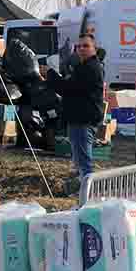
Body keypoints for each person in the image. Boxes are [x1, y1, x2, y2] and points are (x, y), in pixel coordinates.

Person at [53, 33, 107, 192]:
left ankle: (88, 200)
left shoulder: (91, 68)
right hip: (78, 119)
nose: (82, 49)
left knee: (85, 164)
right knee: (80, 162)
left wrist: (51, 75)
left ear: (94, 49)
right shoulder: (83, 66)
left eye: (86, 46)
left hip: (83, 121)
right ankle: (81, 194)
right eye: (79, 46)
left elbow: (68, 88)